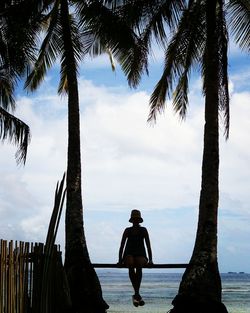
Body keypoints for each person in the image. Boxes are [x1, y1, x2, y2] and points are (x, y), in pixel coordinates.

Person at [118, 209, 153, 307]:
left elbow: (148, 245)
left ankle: (136, 294)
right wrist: (120, 260)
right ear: (132, 220)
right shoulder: (127, 230)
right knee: (130, 263)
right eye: (134, 219)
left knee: (139, 264)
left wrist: (150, 259)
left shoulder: (143, 230)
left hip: (141, 254)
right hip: (128, 254)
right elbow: (122, 245)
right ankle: (137, 294)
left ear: (139, 220)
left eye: (137, 219)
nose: (135, 221)